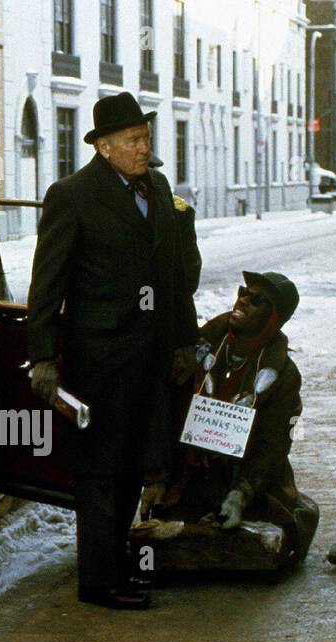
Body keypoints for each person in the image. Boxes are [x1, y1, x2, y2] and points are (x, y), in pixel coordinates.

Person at [27, 91, 200, 610]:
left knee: (133, 465)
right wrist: (43, 357)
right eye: (133, 140)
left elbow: (173, 279)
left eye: (146, 137)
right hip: (100, 357)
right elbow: (47, 284)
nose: (144, 147)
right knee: (100, 471)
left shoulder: (160, 189)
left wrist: (184, 340)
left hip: (149, 355)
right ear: (104, 147)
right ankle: (98, 582)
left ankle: (119, 568)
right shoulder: (72, 196)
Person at [149, 271, 316, 561]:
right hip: (188, 469)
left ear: (274, 318)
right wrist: (157, 476)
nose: (242, 301)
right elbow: (163, 410)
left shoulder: (284, 376)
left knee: (279, 526)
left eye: (257, 300)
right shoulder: (197, 347)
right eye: (242, 292)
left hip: (242, 473)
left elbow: (274, 444)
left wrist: (242, 493)